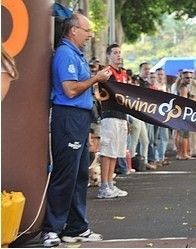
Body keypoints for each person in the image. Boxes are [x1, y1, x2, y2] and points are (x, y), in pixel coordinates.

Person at [42, 13, 112, 247]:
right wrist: (96, 79)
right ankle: (51, 229)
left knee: (80, 174)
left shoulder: (76, 55)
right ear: (73, 30)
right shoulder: (65, 54)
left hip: (80, 118)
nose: (90, 35)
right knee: (65, 174)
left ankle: (76, 227)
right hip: (68, 117)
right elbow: (70, 90)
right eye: (86, 30)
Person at [93, 43, 128, 199]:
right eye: (115, 53)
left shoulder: (124, 73)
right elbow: (97, 90)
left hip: (122, 115)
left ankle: (110, 183)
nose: (118, 55)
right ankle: (103, 186)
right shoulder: (106, 72)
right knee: (107, 152)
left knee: (115, 152)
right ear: (109, 56)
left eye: (120, 52)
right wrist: (100, 98)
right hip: (110, 115)